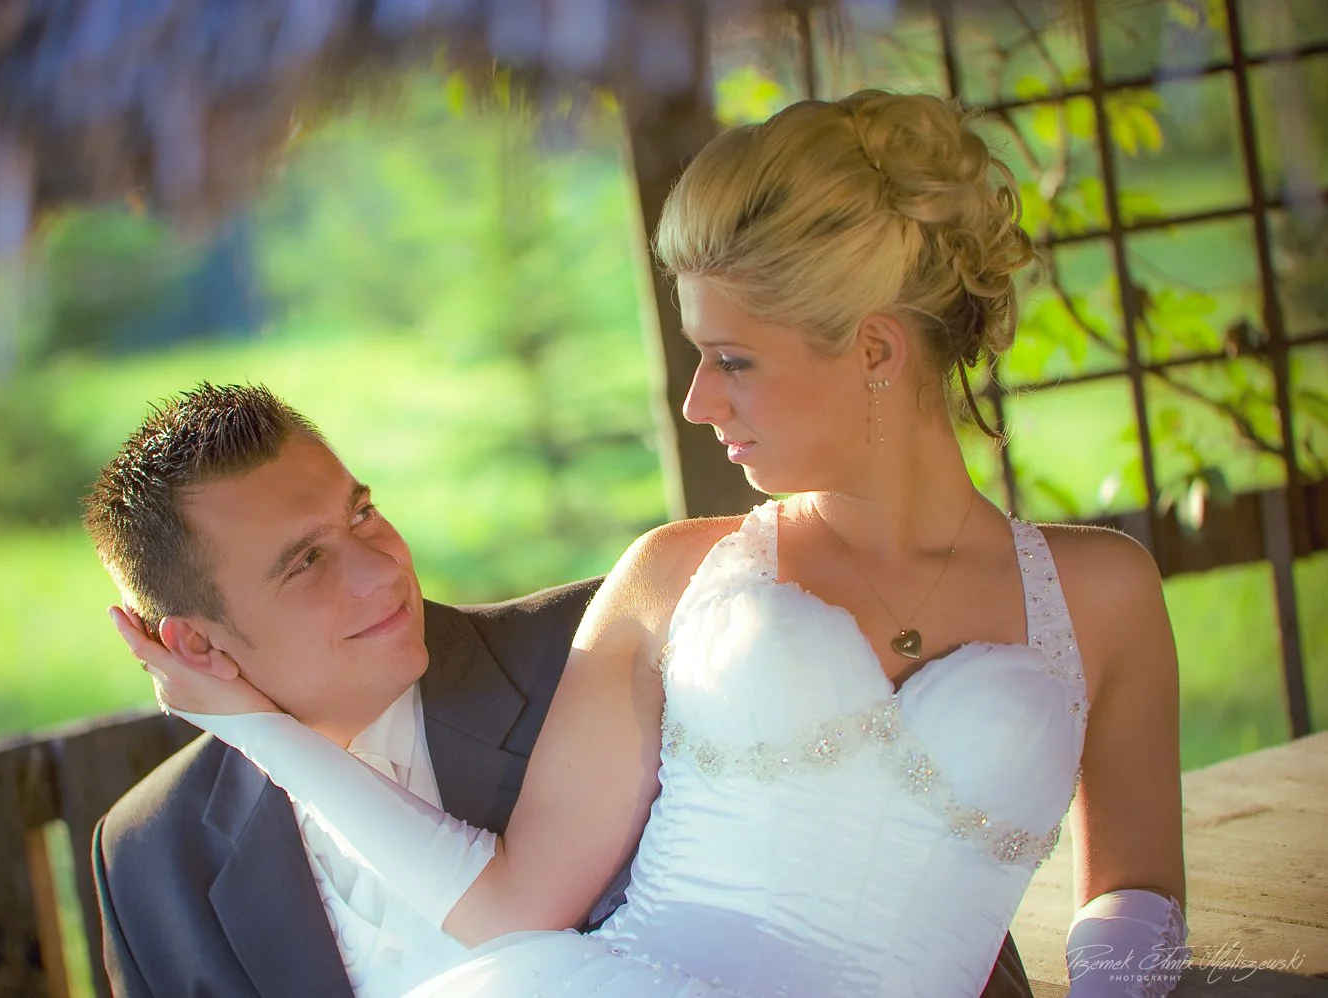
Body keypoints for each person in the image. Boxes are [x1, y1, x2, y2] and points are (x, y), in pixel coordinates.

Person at [129, 90, 1189, 997]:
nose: (696, 399)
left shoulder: (1103, 592)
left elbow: (1134, 895)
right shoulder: (673, 578)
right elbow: (510, 906)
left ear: (872, 348)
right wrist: (253, 726)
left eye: (734, 358)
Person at [85, 382, 1034, 997]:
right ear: (192, 644)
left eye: (363, 512)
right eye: (305, 563)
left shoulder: (608, 651)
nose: (381, 571)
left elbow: (912, 905)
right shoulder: (152, 858)